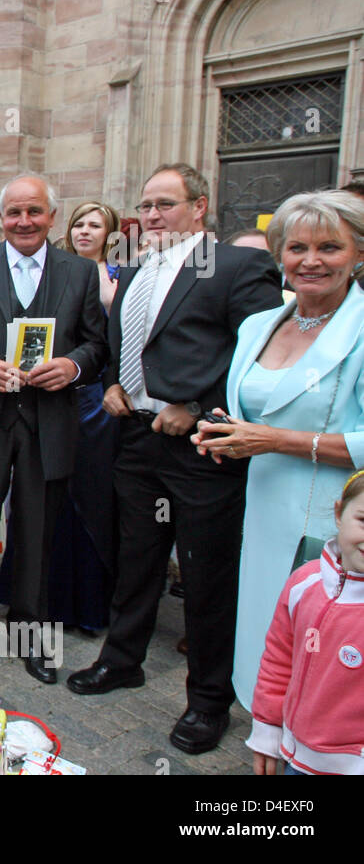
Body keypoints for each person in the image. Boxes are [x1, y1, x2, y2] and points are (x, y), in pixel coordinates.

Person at [67, 162, 283, 756]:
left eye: (166, 204)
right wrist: (113, 382)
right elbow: (126, 342)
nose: (153, 215)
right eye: (147, 205)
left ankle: (209, 701)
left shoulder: (237, 266)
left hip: (199, 447)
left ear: (199, 206)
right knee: (136, 559)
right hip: (135, 437)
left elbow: (259, 358)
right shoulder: (134, 269)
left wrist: (199, 407)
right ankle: (122, 661)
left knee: (206, 574)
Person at [0, 174, 107, 683]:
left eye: (34, 212)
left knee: (37, 535)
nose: (24, 222)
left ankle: (31, 636)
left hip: (48, 425)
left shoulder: (78, 272)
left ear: (52, 216)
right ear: (0, 218)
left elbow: (98, 346)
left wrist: (72, 366)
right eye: (14, 213)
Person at [193, 189, 364, 712]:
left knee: (326, 664)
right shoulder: (258, 325)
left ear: (359, 253)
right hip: (258, 512)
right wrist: (226, 433)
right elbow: (258, 412)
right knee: (269, 639)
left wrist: (274, 441)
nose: (311, 261)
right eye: (297, 248)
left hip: (335, 525)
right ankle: (272, 730)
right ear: (279, 256)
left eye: (329, 248)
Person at [0, 200, 121, 632]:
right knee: (30, 511)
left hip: (86, 405)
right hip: (18, 401)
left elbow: (102, 344)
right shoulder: (36, 268)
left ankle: (75, 604)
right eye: (80, 224)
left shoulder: (106, 277)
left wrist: (74, 367)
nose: (86, 231)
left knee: (79, 504)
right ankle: (22, 598)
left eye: (96, 225)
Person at [246, 471, 364, 775]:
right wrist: (268, 730)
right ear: (339, 513)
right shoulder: (304, 582)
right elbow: (278, 659)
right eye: (363, 520)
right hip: (295, 759)